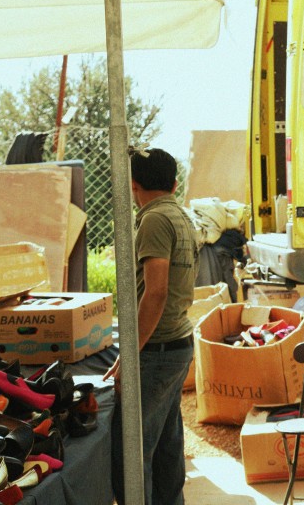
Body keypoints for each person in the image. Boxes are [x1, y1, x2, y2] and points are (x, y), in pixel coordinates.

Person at [104, 147, 198, 504]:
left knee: (132, 451)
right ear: (174, 183)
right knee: (165, 445)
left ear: (133, 185)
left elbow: (156, 293)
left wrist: (129, 355)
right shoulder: (179, 215)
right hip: (175, 343)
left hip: (158, 349)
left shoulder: (154, 219)